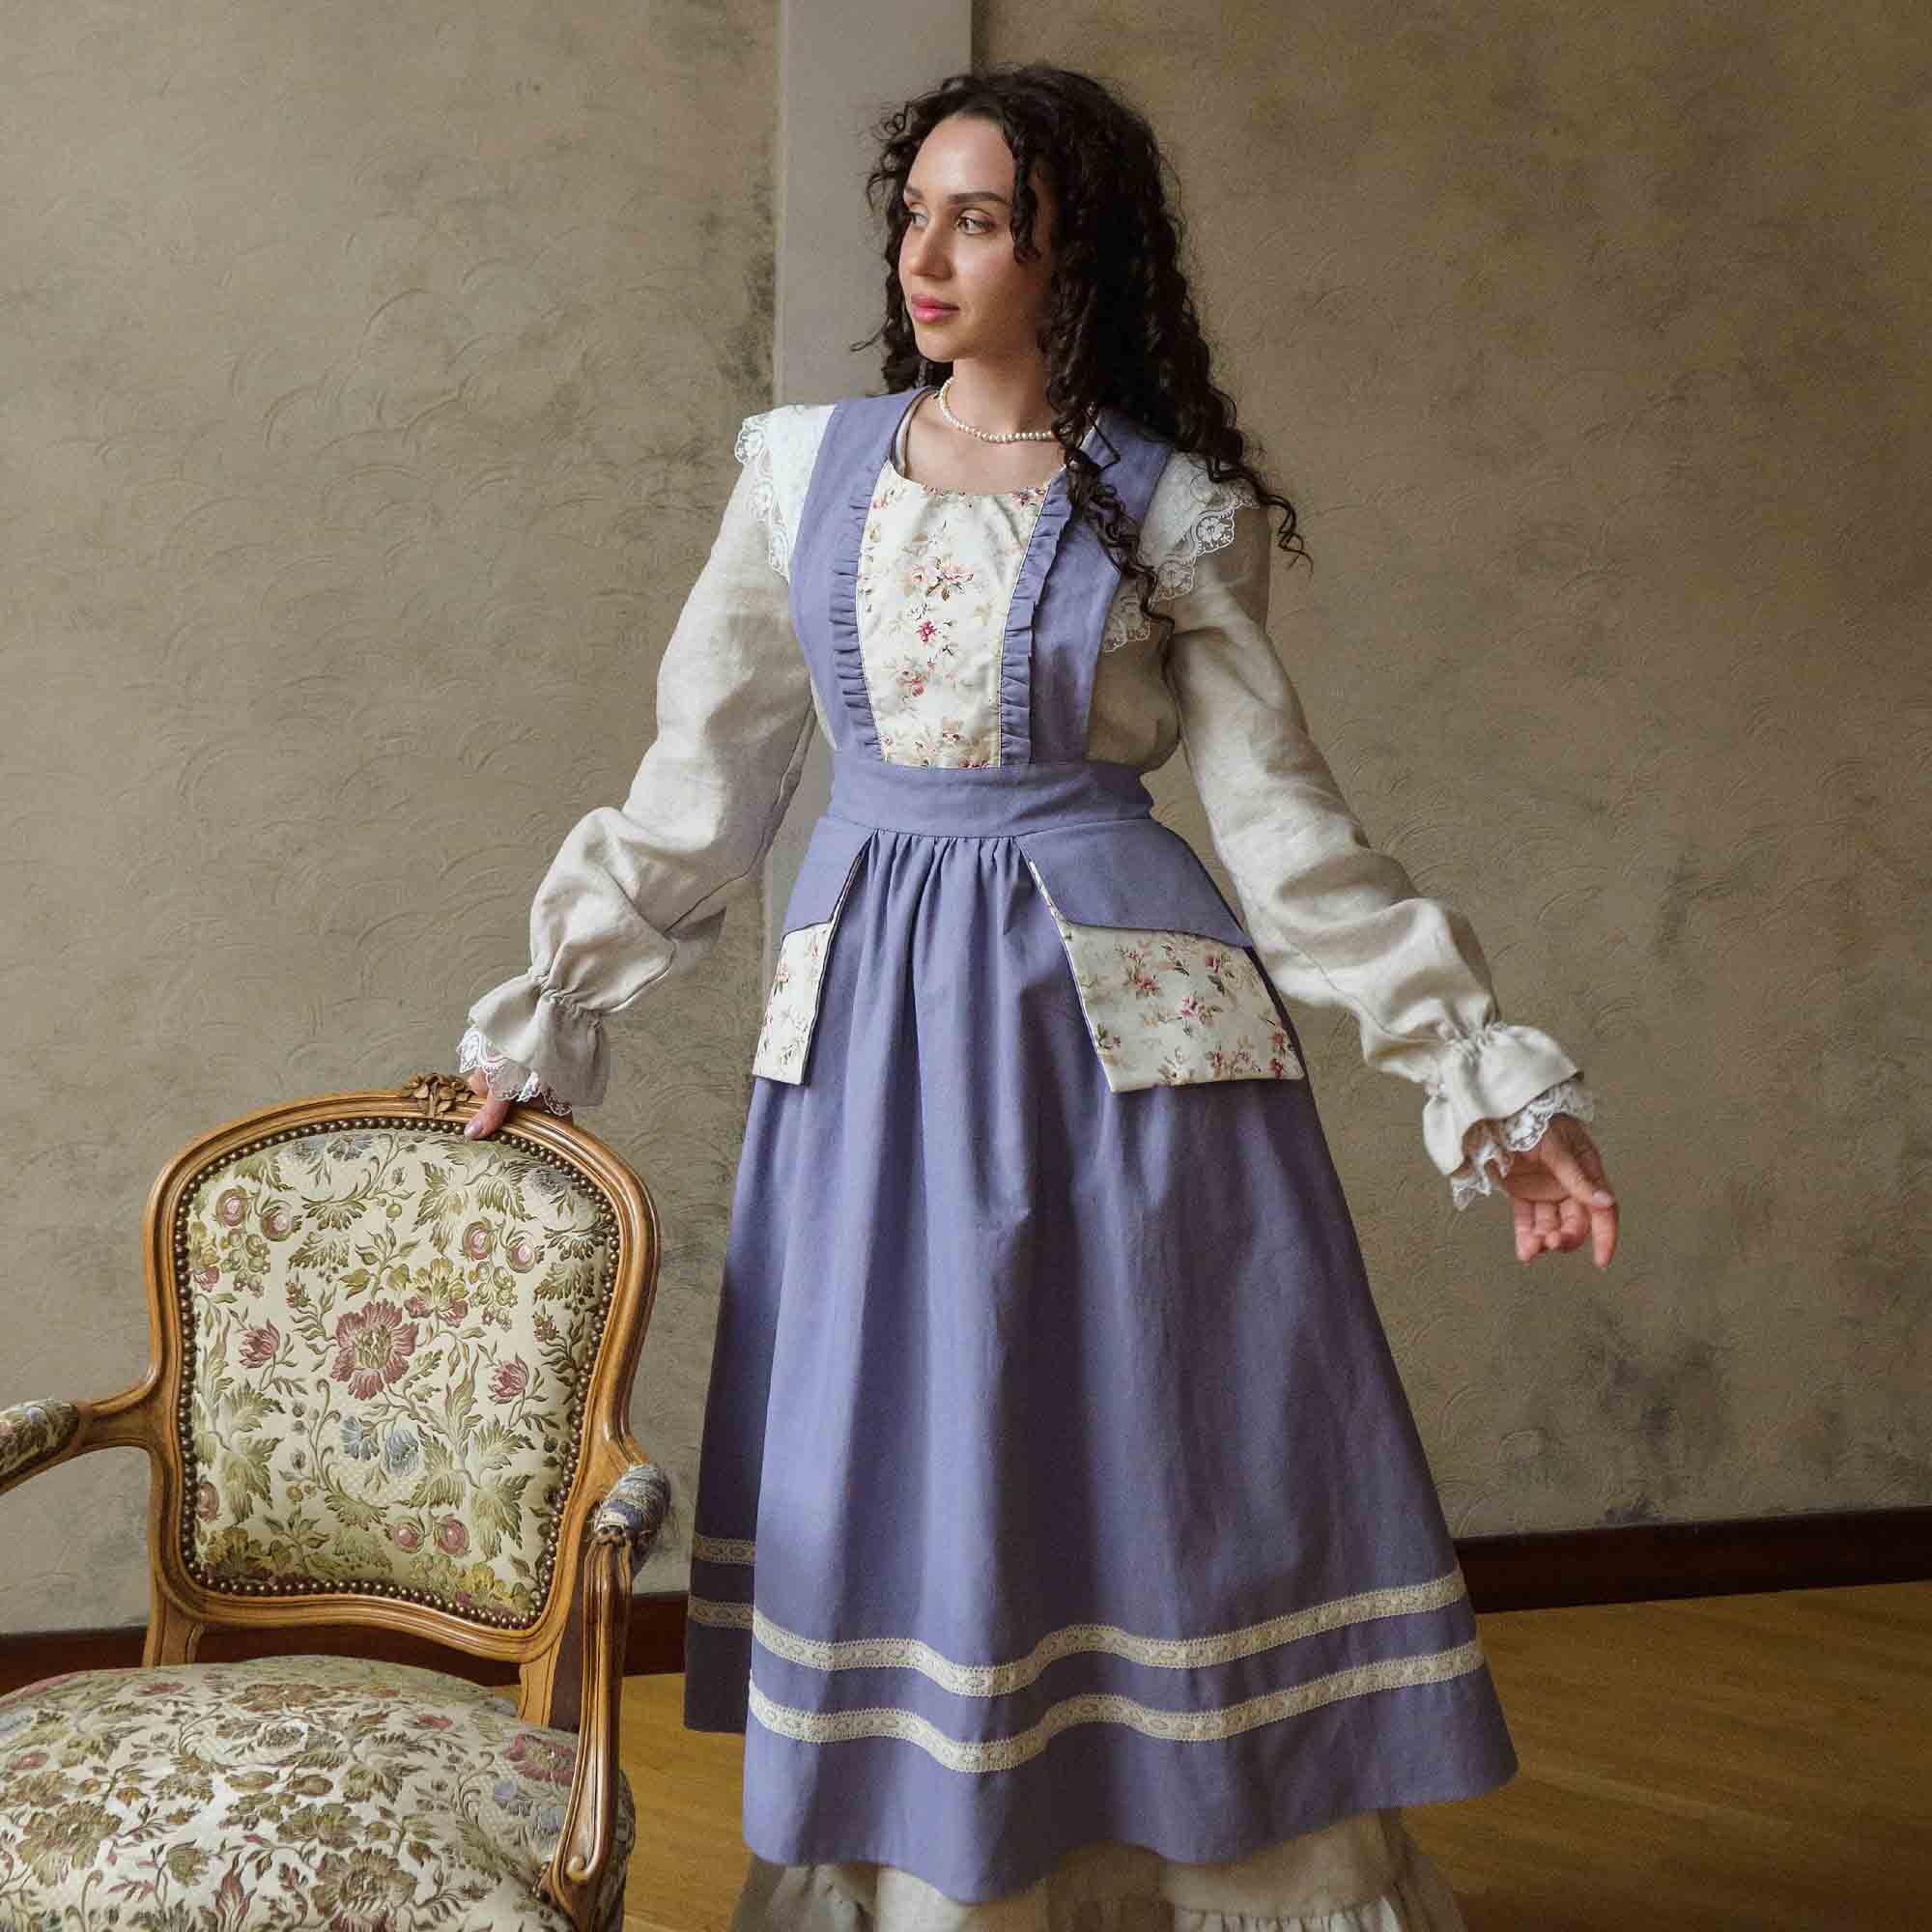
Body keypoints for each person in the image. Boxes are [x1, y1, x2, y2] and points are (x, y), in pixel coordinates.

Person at [457, 61, 1618, 1932]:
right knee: (917, 1451)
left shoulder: (1172, 508)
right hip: (875, 1050)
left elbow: (1286, 832)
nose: (925, 253)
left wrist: (1484, 1076)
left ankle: (1223, 1870)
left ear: (1068, 244)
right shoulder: (803, 475)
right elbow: (705, 784)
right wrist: (549, 1009)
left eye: (977, 216)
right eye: (912, 211)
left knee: (1162, 1443)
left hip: (1123, 1043)